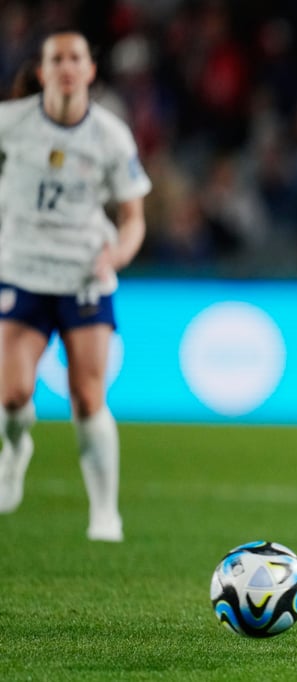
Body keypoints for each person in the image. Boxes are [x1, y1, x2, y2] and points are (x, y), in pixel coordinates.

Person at [0, 29, 151, 542]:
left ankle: (105, 514)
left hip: (84, 276)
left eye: (76, 58)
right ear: (42, 72)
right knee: (12, 395)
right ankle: (17, 447)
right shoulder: (10, 126)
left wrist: (118, 253)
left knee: (88, 397)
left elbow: (133, 217)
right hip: (22, 271)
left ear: (90, 71)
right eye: (56, 58)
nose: (66, 66)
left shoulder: (110, 136)